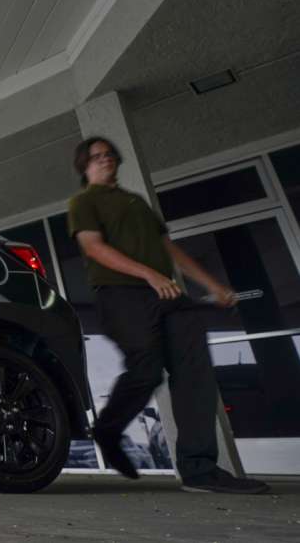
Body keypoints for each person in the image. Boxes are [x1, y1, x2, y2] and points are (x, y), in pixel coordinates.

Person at [67, 137, 268, 494]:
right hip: (121, 296)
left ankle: (199, 469)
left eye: (109, 154)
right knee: (146, 371)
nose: (105, 159)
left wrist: (212, 284)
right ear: (85, 166)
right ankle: (108, 430)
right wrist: (148, 274)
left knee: (195, 376)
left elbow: (168, 248)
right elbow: (93, 248)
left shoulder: (136, 202)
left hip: (168, 296)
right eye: (96, 157)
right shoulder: (83, 202)